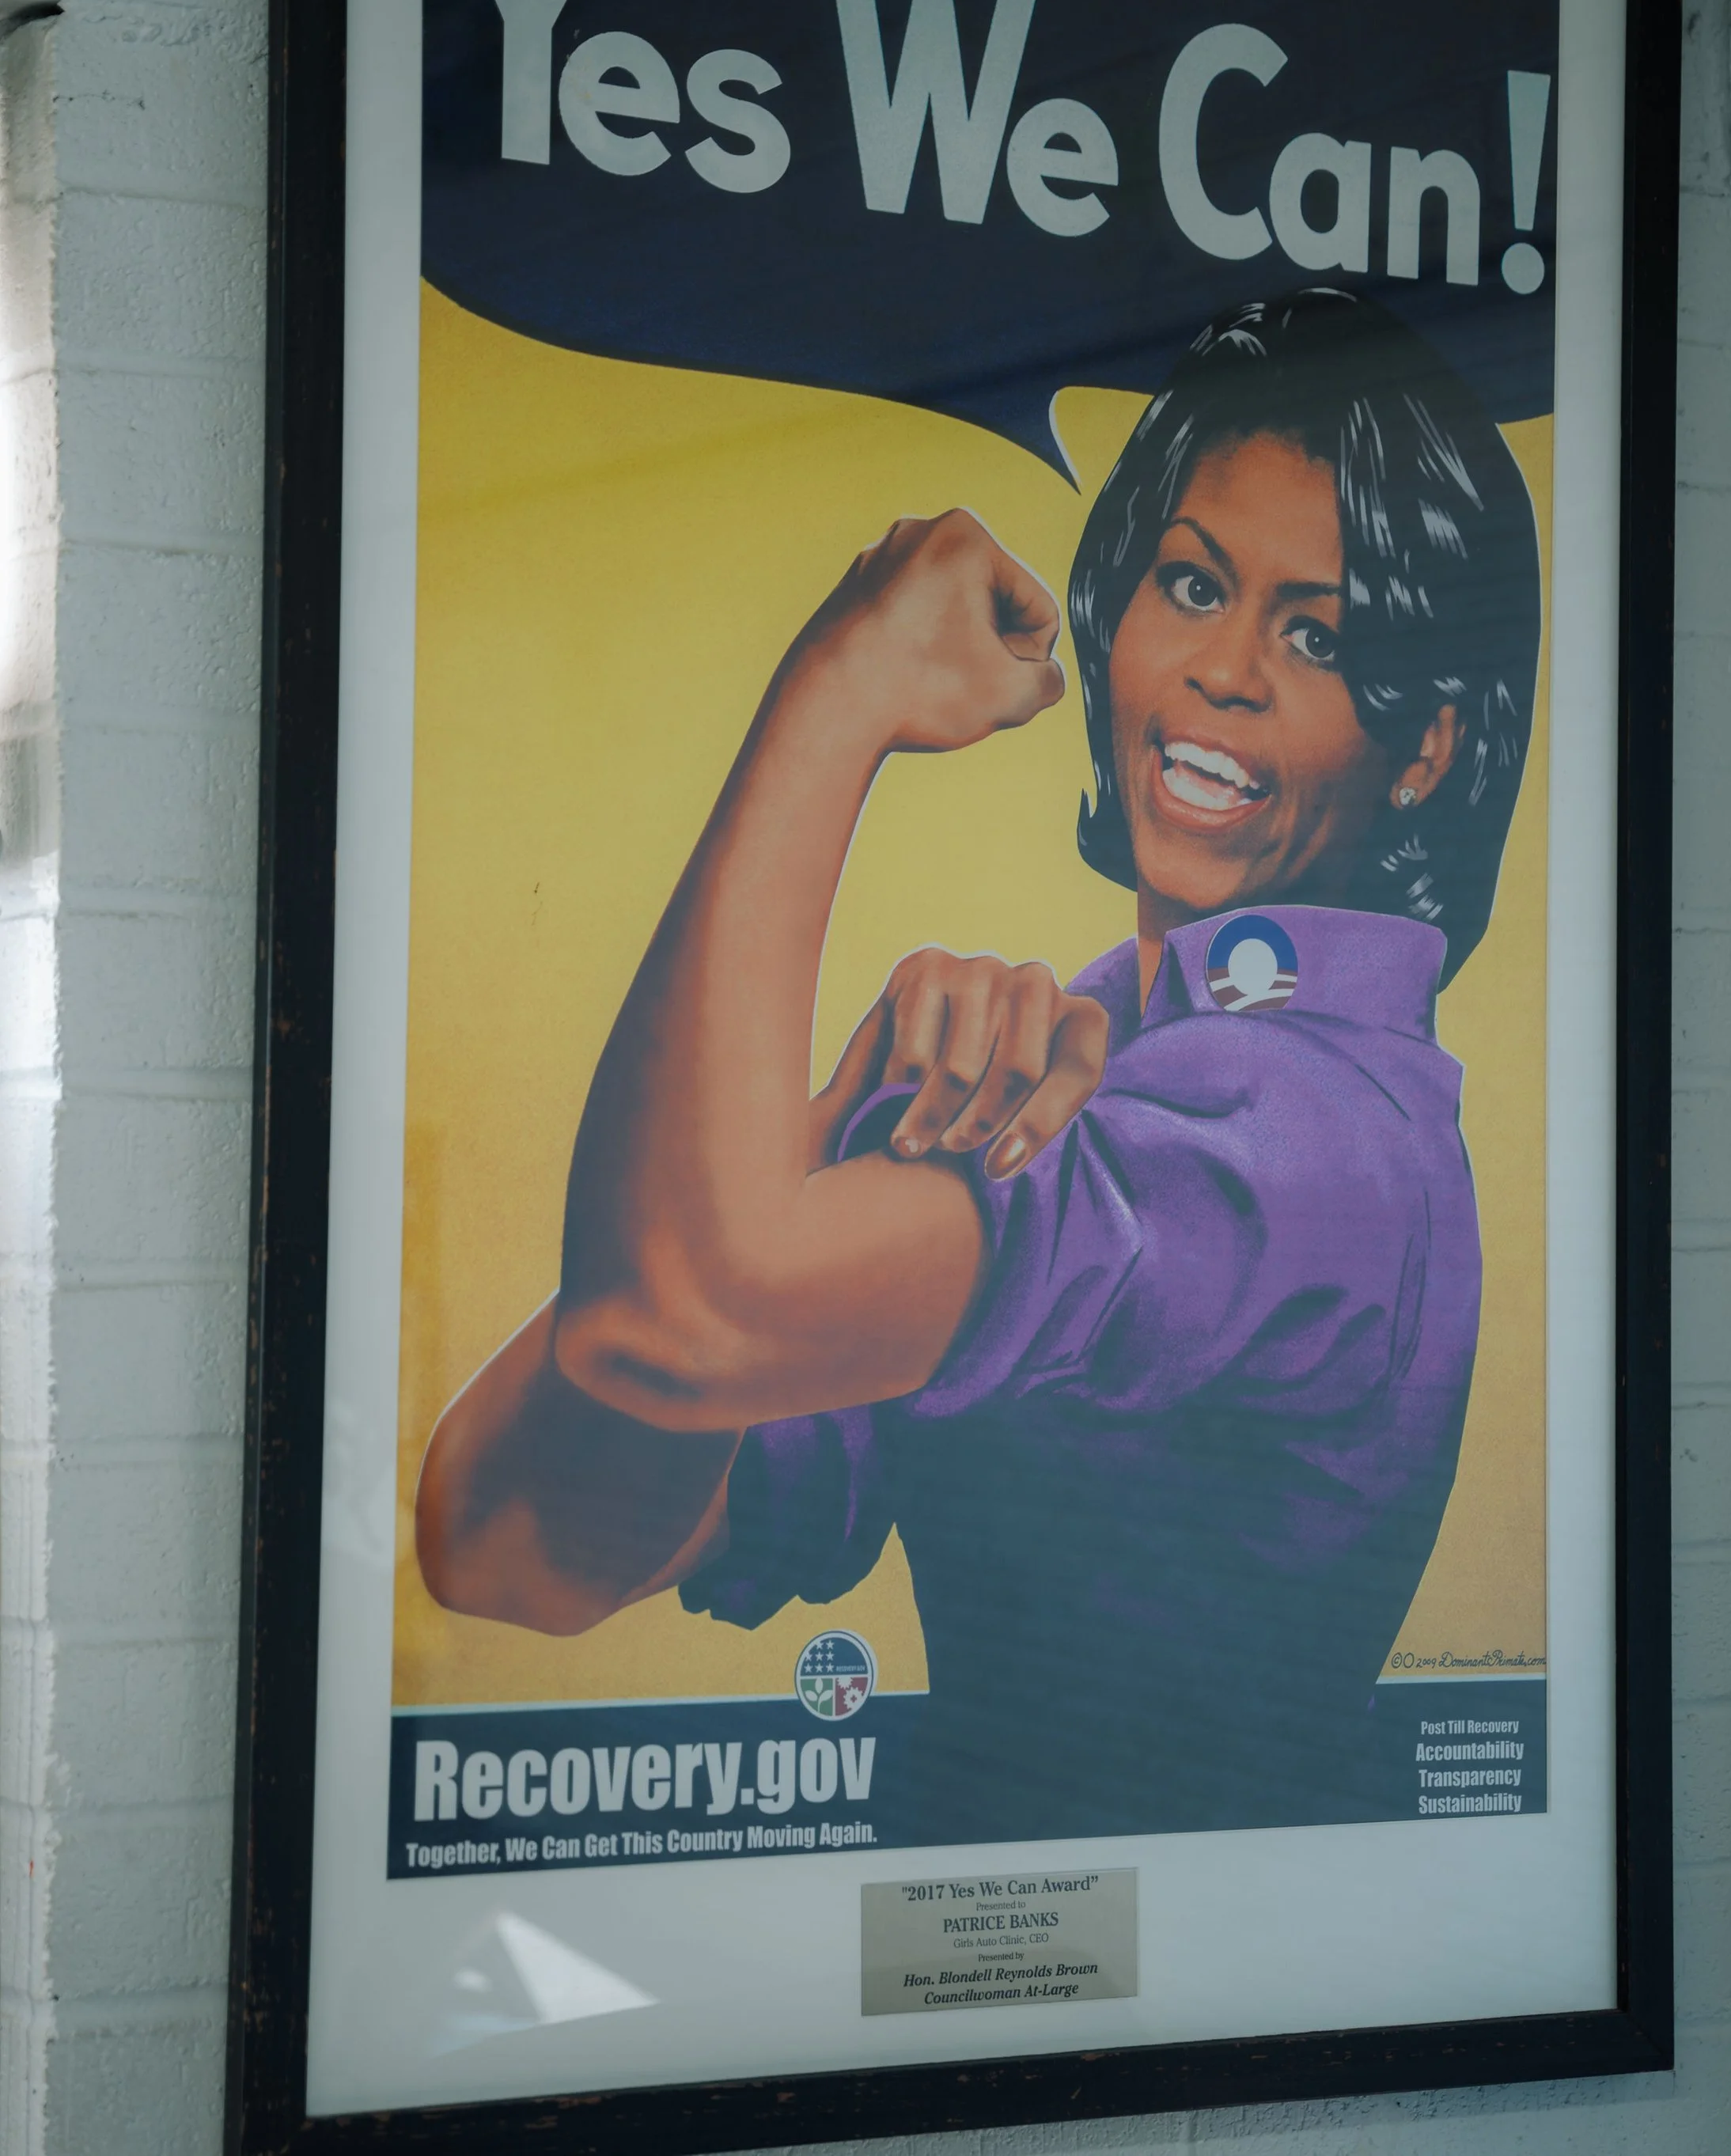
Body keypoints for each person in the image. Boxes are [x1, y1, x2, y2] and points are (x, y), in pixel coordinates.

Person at [415, 286, 1544, 1840]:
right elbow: (513, 1543)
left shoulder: (1310, 1133)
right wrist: (822, 1147)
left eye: (1315, 634)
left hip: (1207, 1993)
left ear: (1420, 746)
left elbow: (681, 1315)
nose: (1223, 669)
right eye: (1192, 581)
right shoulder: (1126, 1067)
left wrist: (835, 699)